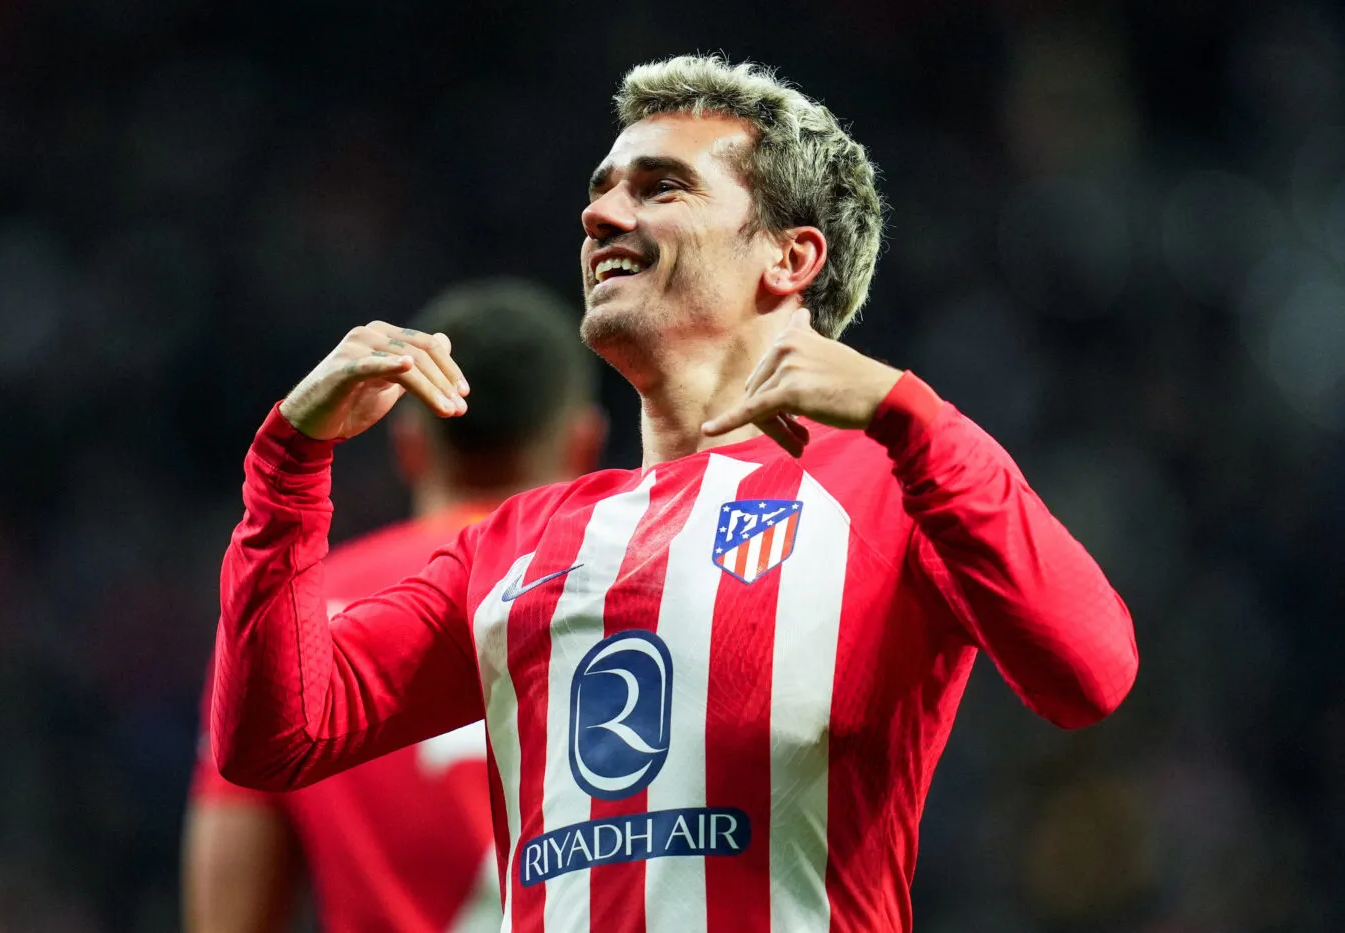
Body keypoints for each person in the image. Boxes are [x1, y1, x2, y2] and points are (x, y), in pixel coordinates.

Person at [208, 55, 1140, 931]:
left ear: (791, 257)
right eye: (600, 190)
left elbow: (1087, 672)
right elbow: (275, 740)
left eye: (659, 187)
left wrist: (911, 415)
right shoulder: (523, 536)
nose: (601, 215)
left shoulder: (894, 482)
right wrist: (289, 464)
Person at [183, 279, 604, 933]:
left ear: (406, 446)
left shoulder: (291, 613)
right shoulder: (631, 589)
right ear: (584, 444)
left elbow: (228, 914)